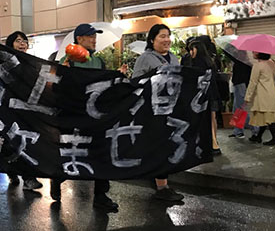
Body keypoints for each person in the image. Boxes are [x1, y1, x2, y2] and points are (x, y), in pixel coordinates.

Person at [53, 23, 120, 212]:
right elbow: (57, 88)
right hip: (73, 115)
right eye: (90, 36)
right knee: (70, 152)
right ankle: (58, 178)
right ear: (79, 39)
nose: (94, 39)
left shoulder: (98, 62)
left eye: (95, 36)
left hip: (95, 116)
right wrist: (64, 73)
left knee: (100, 152)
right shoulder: (67, 61)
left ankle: (100, 194)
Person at [132, 24, 184, 202]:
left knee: (167, 146)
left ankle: (159, 181)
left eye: (168, 36)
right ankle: (162, 187)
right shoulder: (145, 59)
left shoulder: (174, 58)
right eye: (162, 36)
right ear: (152, 40)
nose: (166, 40)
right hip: (152, 111)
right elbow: (136, 83)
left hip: (171, 110)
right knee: (159, 146)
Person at [4, 31, 44, 191]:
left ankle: (29, 178)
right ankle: (10, 169)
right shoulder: (5, 61)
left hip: (27, 110)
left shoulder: (33, 63)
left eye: (24, 41)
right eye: (18, 41)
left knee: (26, 143)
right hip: (8, 109)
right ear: (10, 44)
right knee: (10, 143)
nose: (22, 44)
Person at [183, 38, 222, 155]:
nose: (190, 52)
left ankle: (210, 144)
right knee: (212, 118)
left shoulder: (196, 64)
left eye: (191, 49)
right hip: (213, 94)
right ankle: (214, 142)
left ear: (195, 50)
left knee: (204, 119)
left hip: (202, 96)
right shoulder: (209, 61)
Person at [244, 52, 275, 145]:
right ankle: (258, 137)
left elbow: (253, 82)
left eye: (255, 51)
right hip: (273, 92)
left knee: (269, 118)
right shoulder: (272, 63)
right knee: (266, 117)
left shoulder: (258, 66)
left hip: (263, 94)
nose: (252, 52)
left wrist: (248, 96)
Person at [227, 53, 257, 138]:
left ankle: (254, 128)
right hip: (241, 85)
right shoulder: (246, 63)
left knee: (239, 109)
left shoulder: (241, 62)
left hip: (240, 85)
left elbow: (229, 54)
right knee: (237, 109)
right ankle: (238, 131)